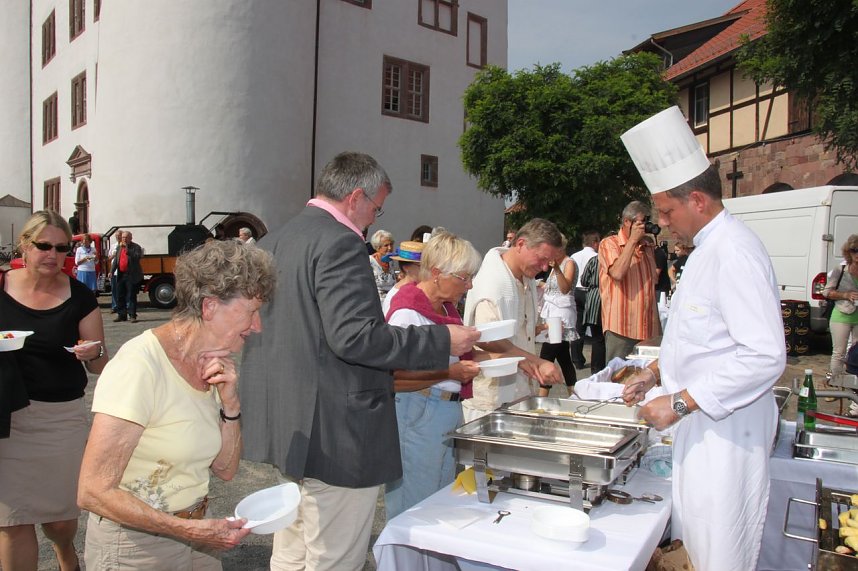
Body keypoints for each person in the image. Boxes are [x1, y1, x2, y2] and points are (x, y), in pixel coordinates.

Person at [238, 151, 480, 571]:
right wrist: (441, 339)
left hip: (288, 423)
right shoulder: (339, 241)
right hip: (335, 430)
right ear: (355, 197)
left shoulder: (274, 239)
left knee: (293, 550)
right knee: (333, 557)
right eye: (376, 207)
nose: (373, 218)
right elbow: (354, 336)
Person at [620, 106, 785, 570]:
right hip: (702, 429)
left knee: (719, 554)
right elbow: (702, 337)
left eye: (667, 211)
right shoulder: (706, 251)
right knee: (694, 544)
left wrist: (678, 402)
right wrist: (654, 373)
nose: (664, 223)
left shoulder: (734, 252)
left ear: (697, 200)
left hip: (728, 435)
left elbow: (765, 356)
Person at [78, 240, 273, 569]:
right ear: (209, 307)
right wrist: (189, 529)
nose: (258, 326)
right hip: (136, 549)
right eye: (252, 312)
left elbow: (225, 470)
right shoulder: (139, 366)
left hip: (197, 538)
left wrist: (230, 402)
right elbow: (93, 491)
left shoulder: (211, 363)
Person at [0, 210, 107, 571]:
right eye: (43, 246)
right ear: (24, 246)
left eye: (61, 248)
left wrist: (94, 352)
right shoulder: (1, 286)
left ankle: (66, 553)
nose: (52, 255)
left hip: (59, 418)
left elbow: (98, 364)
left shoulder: (80, 296)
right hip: (5, 416)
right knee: (12, 521)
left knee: (59, 521)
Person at [384, 232, 485, 518]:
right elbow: (393, 378)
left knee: (440, 500)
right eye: (464, 277)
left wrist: (515, 359)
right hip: (419, 409)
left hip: (443, 408)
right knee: (413, 507)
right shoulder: (407, 313)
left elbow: (458, 357)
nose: (470, 284)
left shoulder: (446, 308)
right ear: (438, 274)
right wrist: (449, 372)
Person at [462, 218, 564, 422]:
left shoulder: (525, 277)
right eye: (542, 259)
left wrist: (539, 330)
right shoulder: (493, 282)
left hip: (519, 392)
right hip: (491, 400)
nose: (544, 268)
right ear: (520, 244)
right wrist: (536, 361)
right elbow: (487, 338)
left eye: (549, 262)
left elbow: (517, 332)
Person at [598, 200, 660, 362]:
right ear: (627, 221)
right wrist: (632, 242)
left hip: (648, 327)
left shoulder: (646, 246)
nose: (645, 226)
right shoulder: (609, 244)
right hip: (622, 327)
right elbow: (617, 273)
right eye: (641, 222)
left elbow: (654, 280)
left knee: (646, 380)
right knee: (618, 379)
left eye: (646, 222)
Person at [537, 234, 578, 396]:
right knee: (563, 357)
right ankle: (574, 394)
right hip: (552, 312)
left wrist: (556, 269)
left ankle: (542, 397)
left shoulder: (569, 263)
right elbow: (552, 288)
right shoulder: (556, 266)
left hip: (561, 315)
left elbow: (565, 288)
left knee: (546, 355)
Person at [823, 234, 858, 412]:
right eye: (854, 250)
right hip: (841, 315)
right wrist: (846, 295)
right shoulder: (840, 269)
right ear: (848, 252)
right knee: (839, 353)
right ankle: (836, 387)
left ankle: (854, 392)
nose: (857, 254)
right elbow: (826, 292)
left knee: (856, 357)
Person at [569, 231, 600, 369]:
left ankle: (577, 359)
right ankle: (596, 361)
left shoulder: (574, 256)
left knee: (578, 327)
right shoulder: (597, 257)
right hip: (590, 292)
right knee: (594, 328)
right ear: (595, 242)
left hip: (576, 291)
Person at [381, 240, 424, 315]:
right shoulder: (396, 296)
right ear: (406, 268)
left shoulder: (418, 288)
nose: (426, 270)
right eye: (421, 266)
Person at [580, 253, 606, 372]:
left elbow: (584, 280)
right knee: (603, 337)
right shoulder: (616, 259)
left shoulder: (594, 260)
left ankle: (596, 368)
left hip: (594, 299)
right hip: (607, 297)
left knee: (597, 338)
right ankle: (600, 367)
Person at [112, 230, 144, 323]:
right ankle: (121, 315)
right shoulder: (119, 247)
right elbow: (116, 261)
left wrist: (127, 249)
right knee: (120, 295)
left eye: (126, 237)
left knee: (131, 296)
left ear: (130, 238)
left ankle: (132, 315)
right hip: (121, 274)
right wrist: (111, 271)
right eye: (123, 237)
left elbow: (137, 256)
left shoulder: (136, 247)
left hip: (131, 275)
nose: (124, 239)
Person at [368, 229, 397, 301]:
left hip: (392, 299)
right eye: (386, 245)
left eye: (391, 244)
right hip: (378, 302)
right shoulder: (370, 261)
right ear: (378, 247)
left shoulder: (390, 260)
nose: (390, 248)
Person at [108, 230, 123, 313]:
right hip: (114, 271)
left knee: (122, 290)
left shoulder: (124, 245)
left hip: (122, 271)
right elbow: (109, 258)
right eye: (116, 236)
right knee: (114, 290)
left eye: (119, 235)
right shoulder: (113, 246)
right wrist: (114, 254)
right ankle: (114, 306)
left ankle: (124, 306)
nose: (118, 237)